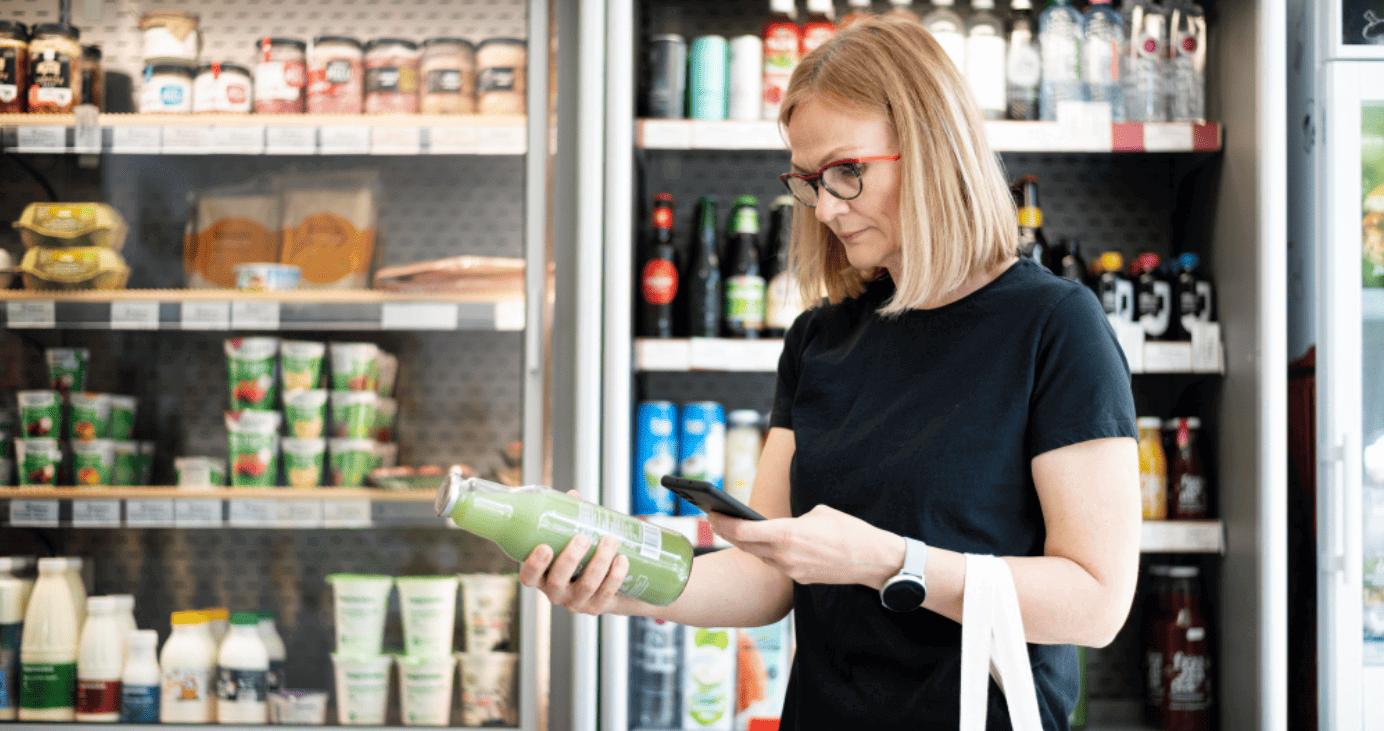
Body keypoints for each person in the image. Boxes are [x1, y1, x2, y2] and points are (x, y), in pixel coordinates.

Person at [520, 16, 1140, 731]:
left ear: (935, 146)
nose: (829, 207)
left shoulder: (1056, 326)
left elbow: (1096, 602)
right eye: (810, 180)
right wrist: (620, 578)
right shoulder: (820, 337)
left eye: (849, 171)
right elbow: (765, 574)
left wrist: (885, 561)